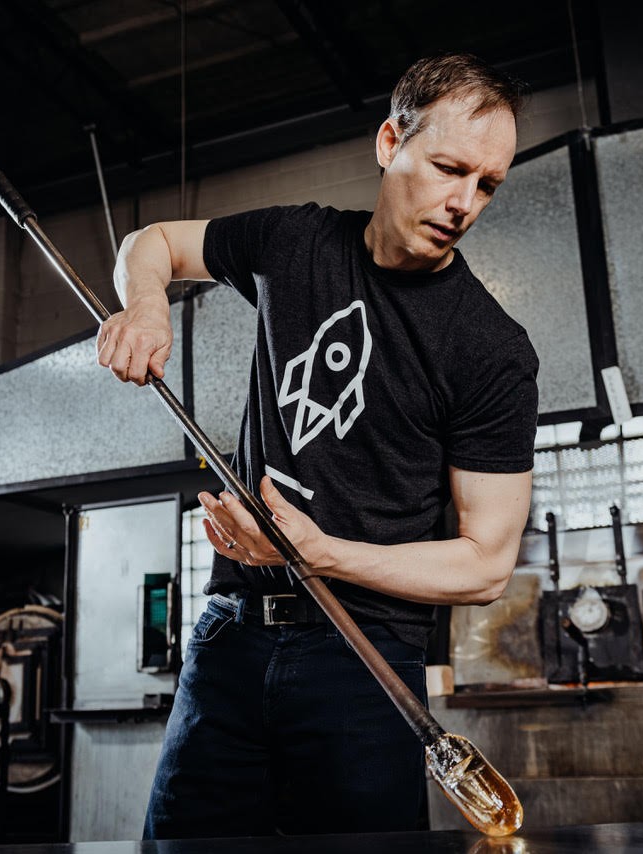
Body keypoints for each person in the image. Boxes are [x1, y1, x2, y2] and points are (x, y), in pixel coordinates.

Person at [96, 52, 538, 839]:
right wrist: (148, 307)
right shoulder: (294, 241)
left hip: (365, 660)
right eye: (449, 168)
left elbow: (486, 564)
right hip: (230, 638)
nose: (464, 202)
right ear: (390, 143)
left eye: (487, 185)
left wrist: (319, 553)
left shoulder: (489, 349)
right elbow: (150, 241)